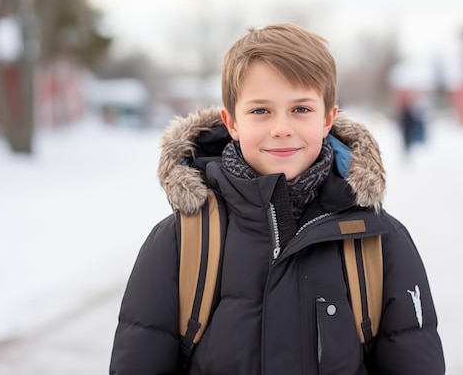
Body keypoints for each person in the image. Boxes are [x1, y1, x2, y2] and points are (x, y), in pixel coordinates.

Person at [110, 23, 445, 374]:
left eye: (301, 109)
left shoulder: (378, 240)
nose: (282, 127)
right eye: (260, 111)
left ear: (328, 118)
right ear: (232, 122)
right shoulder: (182, 241)